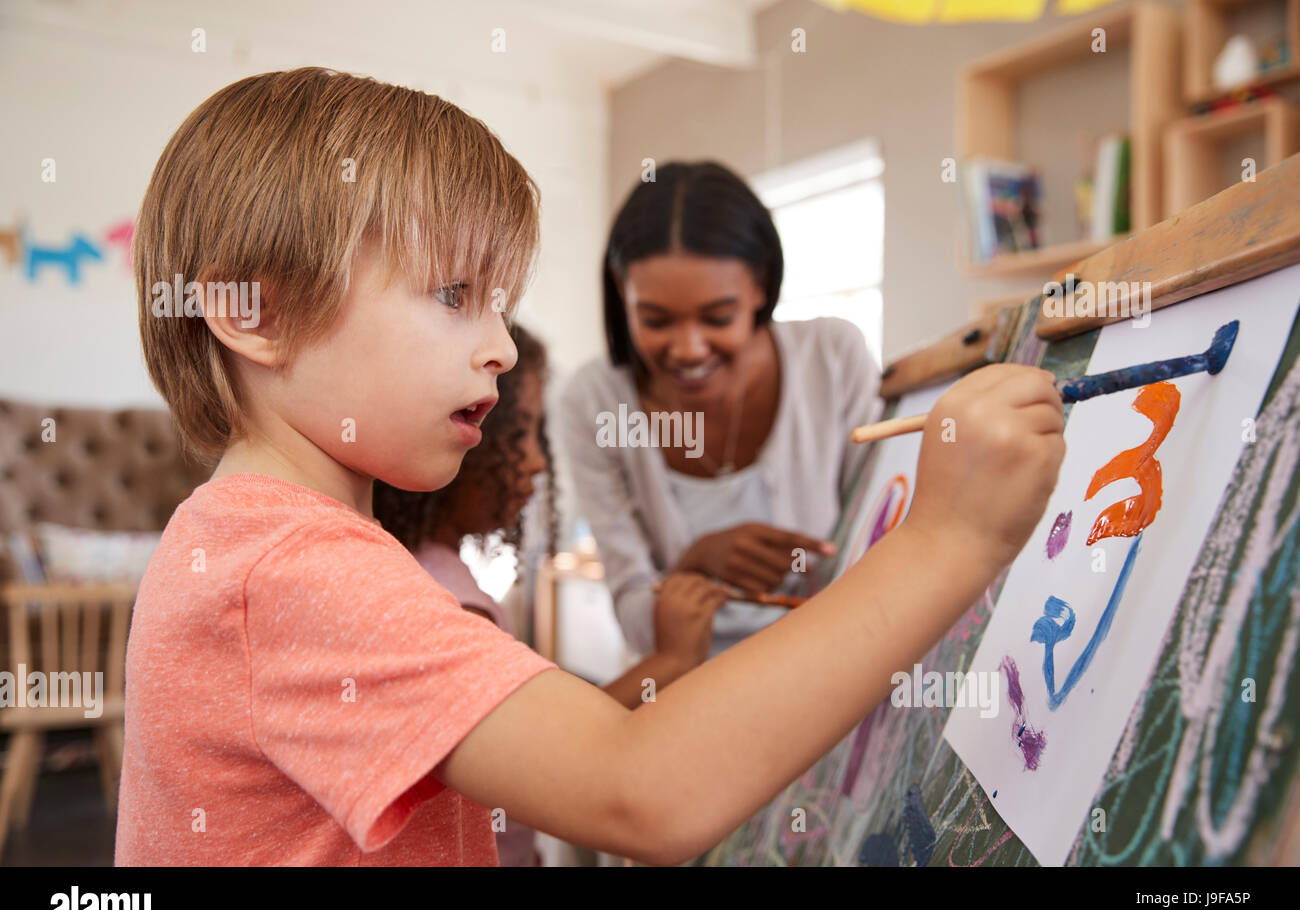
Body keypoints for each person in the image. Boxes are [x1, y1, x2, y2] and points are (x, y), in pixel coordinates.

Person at [117, 67, 1065, 867]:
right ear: (256, 313)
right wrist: (949, 538)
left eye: (500, 304)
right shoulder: (289, 572)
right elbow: (638, 788)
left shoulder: (261, 546)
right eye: (452, 294)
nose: (499, 346)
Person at [371, 322, 728, 864]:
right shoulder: (453, 607)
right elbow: (561, 752)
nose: (538, 463)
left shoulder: (417, 568)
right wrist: (672, 660)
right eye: (522, 436)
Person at [559, 160, 886, 659]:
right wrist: (695, 562)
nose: (689, 349)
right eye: (655, 320)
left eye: (718, 317)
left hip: (834, 665)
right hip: (688, 690)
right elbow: (635, 619)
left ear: (760, 286)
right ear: (622, 297)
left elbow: (880, 543)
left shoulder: (833, 357)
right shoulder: (593, 402)